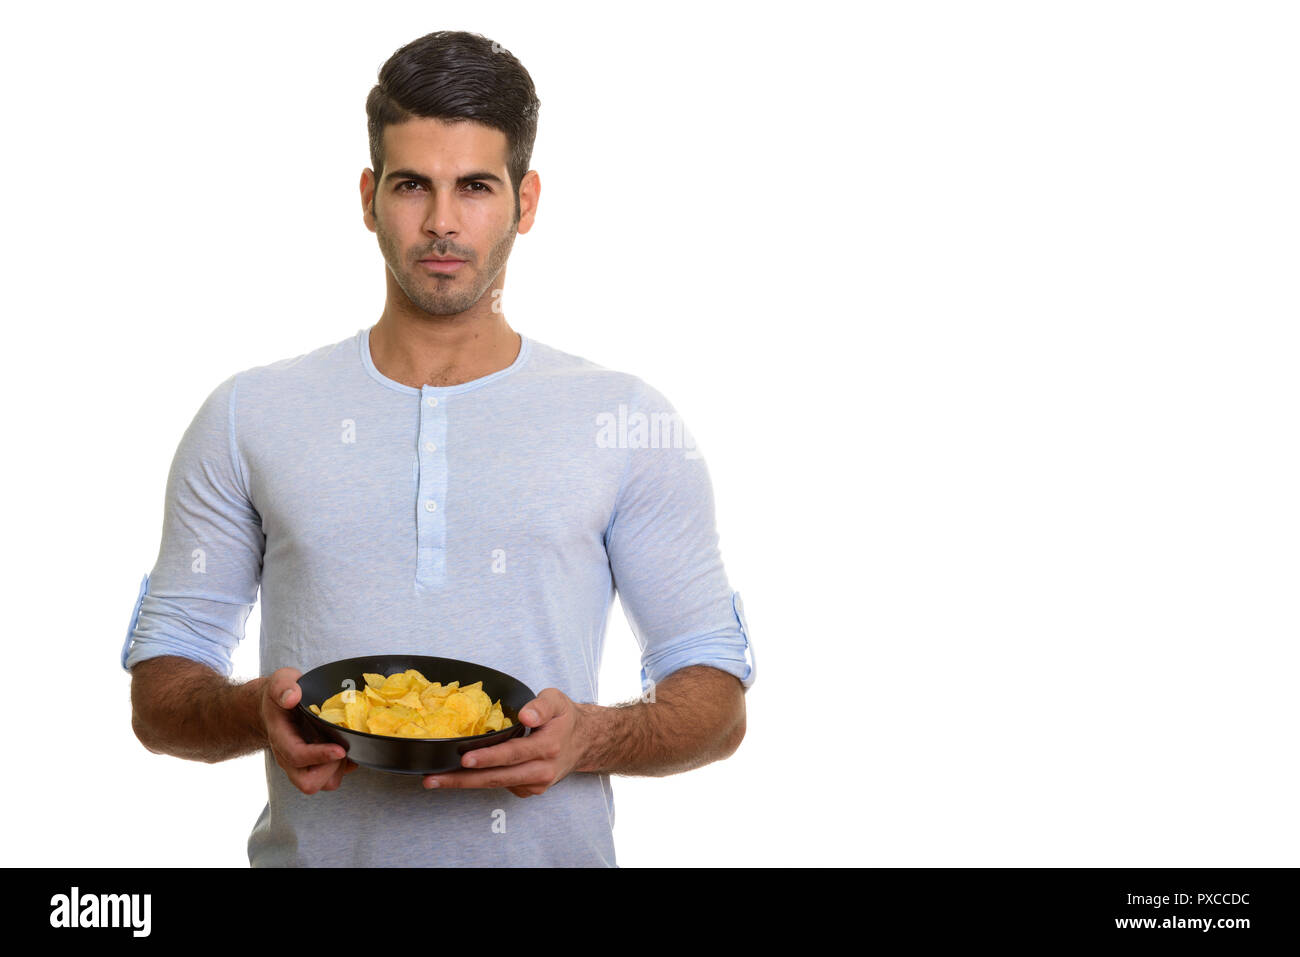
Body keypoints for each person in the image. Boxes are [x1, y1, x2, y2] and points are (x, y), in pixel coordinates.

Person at [123, 29, 755, 867]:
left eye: (477, 187)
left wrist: (591, 737)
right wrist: (253, 713)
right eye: (413, 184)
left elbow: (714, 691)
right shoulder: (250, 413)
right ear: (367, 196)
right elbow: (162, 690)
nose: (444, 222)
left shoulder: (625, 420)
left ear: (526, 202)